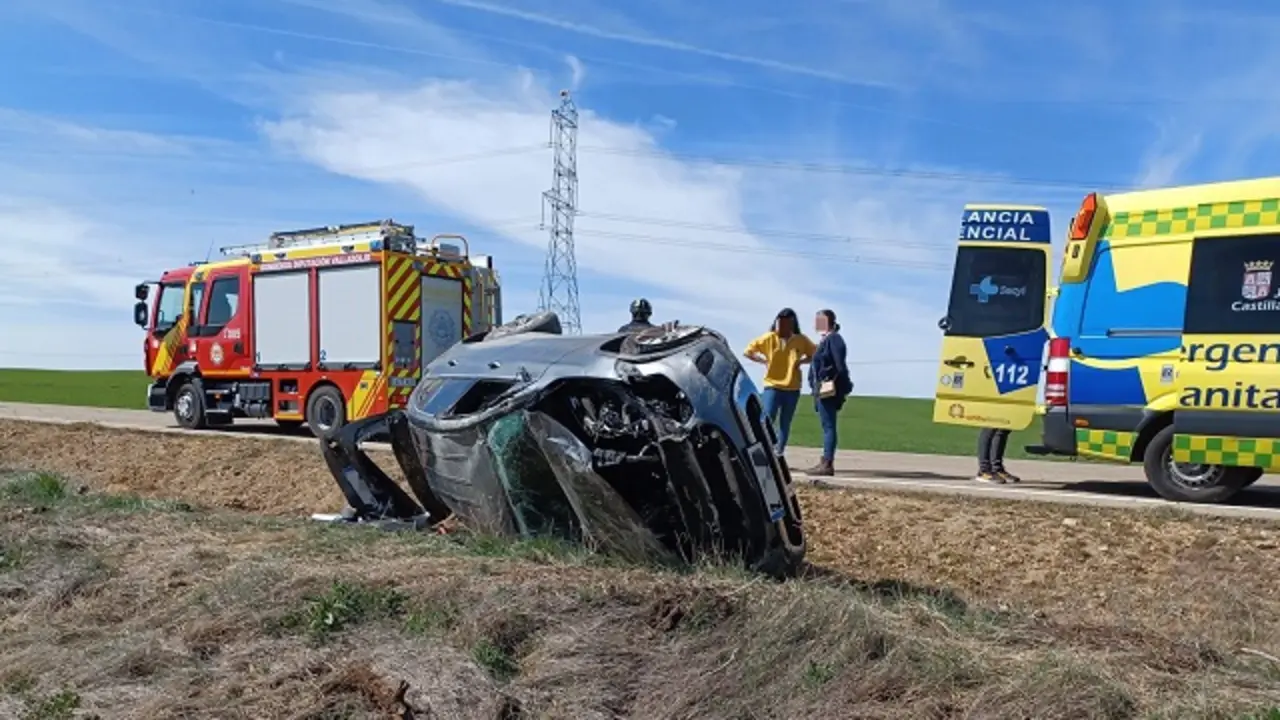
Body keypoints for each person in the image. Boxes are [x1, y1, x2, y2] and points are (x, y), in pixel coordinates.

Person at [743, 308, 816, 453]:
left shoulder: (801, 340)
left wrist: (801, 362)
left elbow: (814, 354)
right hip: (772, 385)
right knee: (766, 419)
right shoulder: (769, 338)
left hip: (793, 387)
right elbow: (748, 351)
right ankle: (764, 449)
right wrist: (763, 361)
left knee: (785, 422)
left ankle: (779, 451)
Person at [804, 309, 852, 477]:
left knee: (829, 426)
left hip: (828, 390)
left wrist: (842, 387)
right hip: (821, 389)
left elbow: (840, 367)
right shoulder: (825, 340)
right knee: (827, 425)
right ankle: (825, 461)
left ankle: (827, 463)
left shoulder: (834, 340)